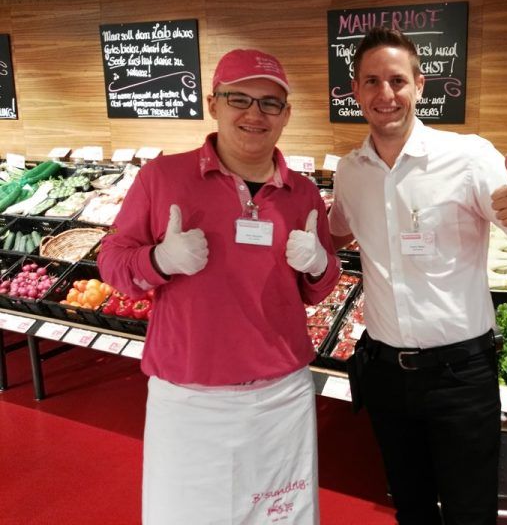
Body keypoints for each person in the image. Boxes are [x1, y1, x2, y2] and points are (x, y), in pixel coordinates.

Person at [328, 27, 507, 525]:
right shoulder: (351, 172)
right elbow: (336, 237)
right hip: (385, 373)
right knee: (410, 506)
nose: (385, 94)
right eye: (371, 82)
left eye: (397, 80)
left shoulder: (469, 158)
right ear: (355, 91)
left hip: (460, 375)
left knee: (470, 511)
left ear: (420, 85)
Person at [98, 48, 341, 525]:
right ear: (213, 104)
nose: (255, 114)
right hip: (189, 397)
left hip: (280, 397)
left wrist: (317, 264)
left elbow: (319, 287)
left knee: (281, 518)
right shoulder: (161, 177)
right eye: (239, 99)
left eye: (271, 103)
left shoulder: (304, 192)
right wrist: (158, 260)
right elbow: (111, 263)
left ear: (287, 114)